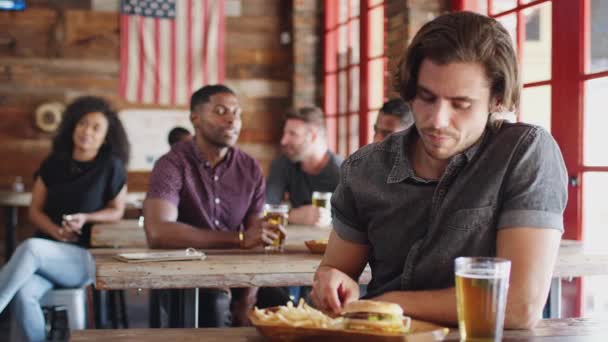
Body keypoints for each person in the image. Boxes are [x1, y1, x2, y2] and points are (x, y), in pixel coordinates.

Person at [311, 11, 567, 330]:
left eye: (461, 104)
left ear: (496, 99)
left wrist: (387, 303)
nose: (437, 120)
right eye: (426, 98)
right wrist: (330, 281)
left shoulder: (524, 153)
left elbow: (518, 305)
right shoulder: (365, 168)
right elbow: (337, 271)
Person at [143, 84, 281, 327]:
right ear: (195, 118)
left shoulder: (250, 168)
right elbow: (158, 232)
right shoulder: (172, 164)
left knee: (284, 304)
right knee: (214, 301)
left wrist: (247, 298)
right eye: (220, 111)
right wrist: (237, 239)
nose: (232, 120)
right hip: (185, 273)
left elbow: (256, 240)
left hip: (240, 274)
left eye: (237, 113)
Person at [0, 96, 129, 341]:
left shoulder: (111, 166)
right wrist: (55, 231)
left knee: (30, 248)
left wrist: (85, 218)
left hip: (82, 258)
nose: (87, 131)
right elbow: (34, 210)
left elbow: (116, 210)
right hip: (44, 253)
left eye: (96, 127)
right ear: (72, 125)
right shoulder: (53, 163)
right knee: (23, 294)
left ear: (106, 137)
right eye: (82, 124)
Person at [265, 107, 343, 227]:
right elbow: (264, 209)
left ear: (312, 136)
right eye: (285, 133)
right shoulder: (283, 163)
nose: (283, 141)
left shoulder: (343, 172)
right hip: (293, 242)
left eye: (292, 134)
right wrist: (292, 215)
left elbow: (355, 222)